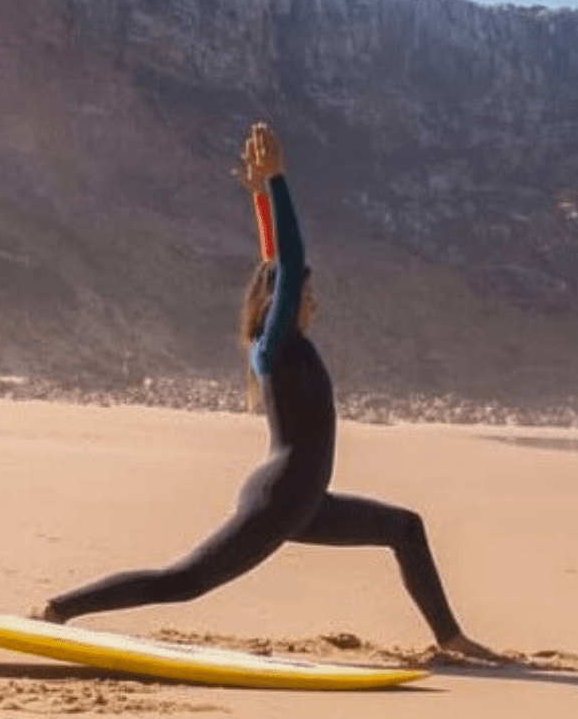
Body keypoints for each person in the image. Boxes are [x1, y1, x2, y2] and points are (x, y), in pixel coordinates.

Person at [31, 122, 500, 662]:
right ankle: (57, 608)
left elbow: (277, 263)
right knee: (183, 581)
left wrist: (259, 199)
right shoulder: (275, 344)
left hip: (307, 501)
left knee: (404, 528)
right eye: (309, 295)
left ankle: (451, 639)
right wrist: (277, 182)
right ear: (284, 300)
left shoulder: (281, 342)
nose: (314, 303)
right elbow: (290, 262)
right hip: (280, 498)